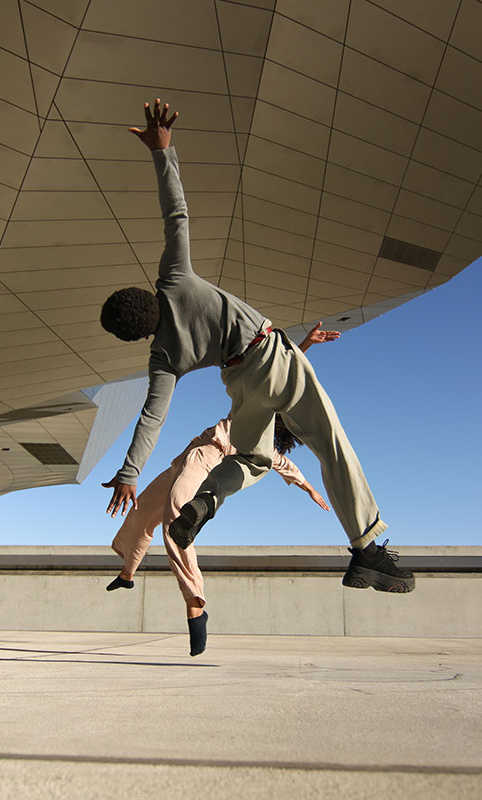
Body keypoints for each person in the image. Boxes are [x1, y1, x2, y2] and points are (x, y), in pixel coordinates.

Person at [100, 99, 415, 601]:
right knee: (331, 442)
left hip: (240, 385)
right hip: (269, 354)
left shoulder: (162, 359)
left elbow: (151, 418)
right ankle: (368, 549)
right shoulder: (175, 279)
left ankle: (204, 504)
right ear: (144, 293)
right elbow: (176, 215)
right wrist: (163, 151)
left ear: (137, 335)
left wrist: (127, 473)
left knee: (254, 458)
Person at [105, 330, 335, 657]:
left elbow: (285, 466)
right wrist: (307, 345)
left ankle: (195, 604)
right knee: (142, 512)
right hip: (181, 461)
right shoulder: (249, 414)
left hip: (205, 461)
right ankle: (128, 573)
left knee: (177, 519)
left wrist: (309, 488)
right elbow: (277, 376)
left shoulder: (259, 441)